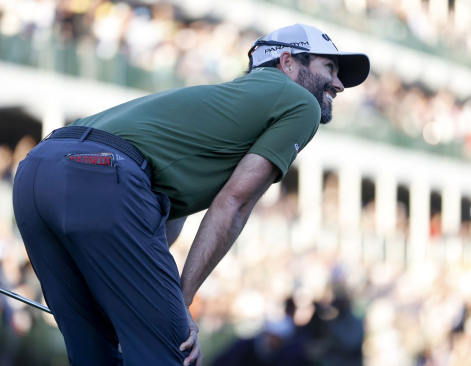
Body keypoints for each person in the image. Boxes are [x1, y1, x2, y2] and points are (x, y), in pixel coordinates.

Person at [12, 23, 370, 366]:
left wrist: (147, 295)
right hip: (102, 174)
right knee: (174, 351)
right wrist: (179, 305)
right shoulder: (299, 103)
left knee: (95, 354)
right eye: (329, 67)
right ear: (287, 62)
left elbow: (163, 217)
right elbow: (234, 204)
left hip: (34, 174)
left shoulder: (219, 108)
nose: (339, 84)